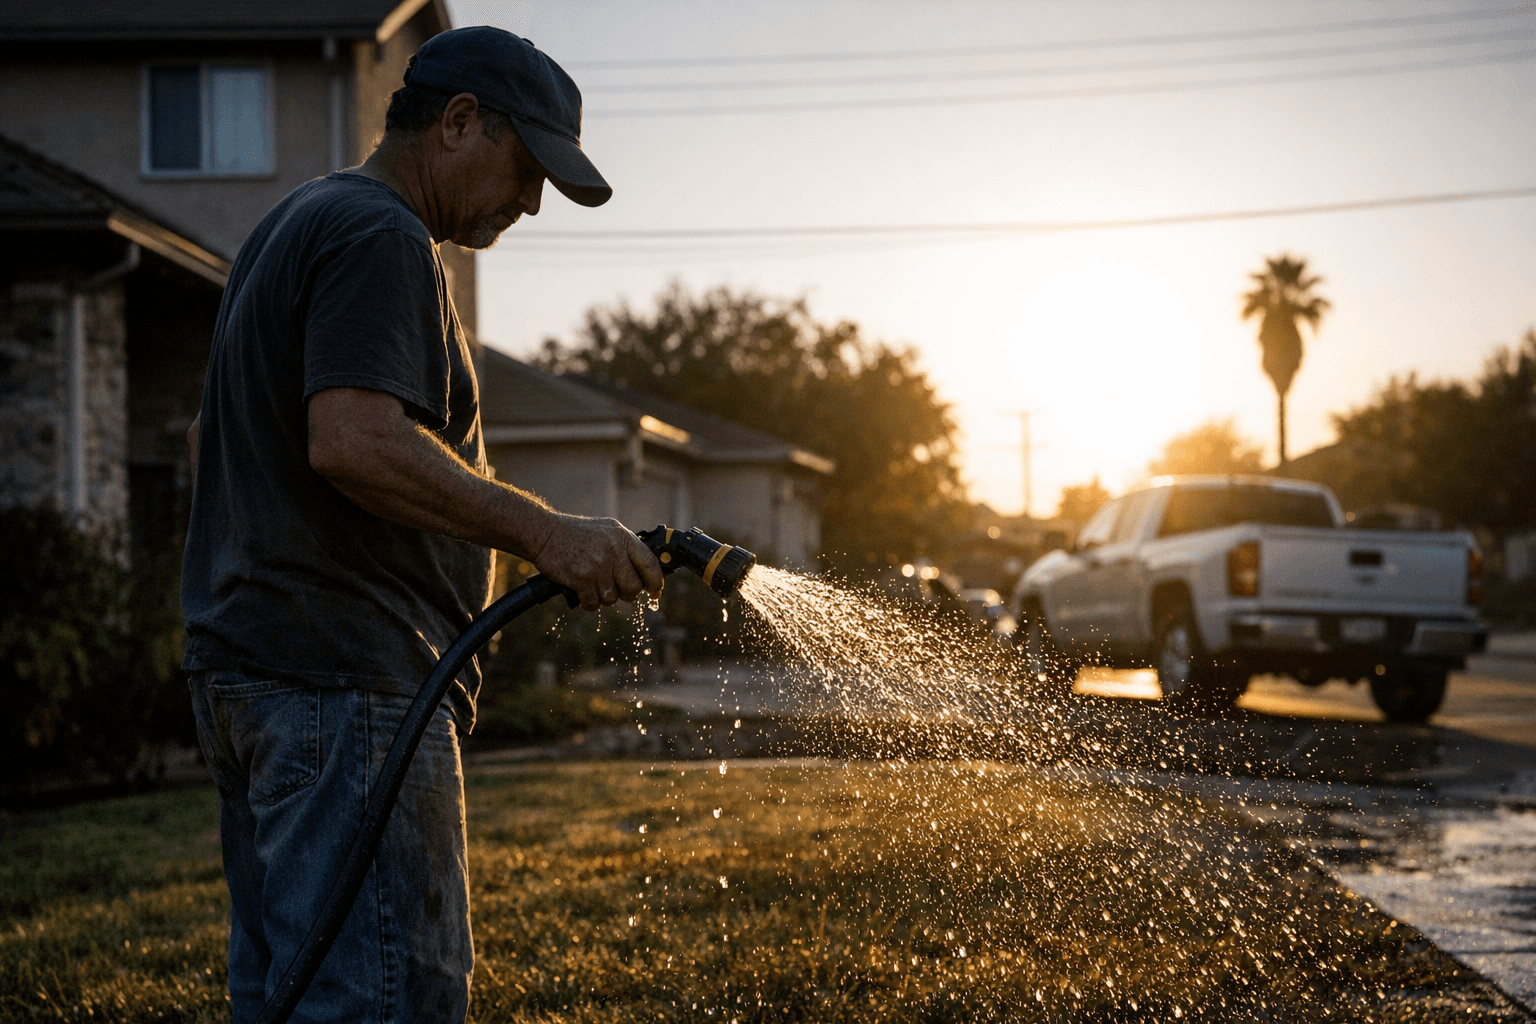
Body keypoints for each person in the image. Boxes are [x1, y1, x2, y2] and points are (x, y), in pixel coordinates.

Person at [180, 26, 663, 1024]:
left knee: (291, 989)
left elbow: (218, 442)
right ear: (457, 123)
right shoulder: (381, 235)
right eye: (527, 168)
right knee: (387, 997)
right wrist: (545, 532)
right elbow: (353, 439)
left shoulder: (293, 224)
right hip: (345, 682)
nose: (530, 203)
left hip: (259, 675)